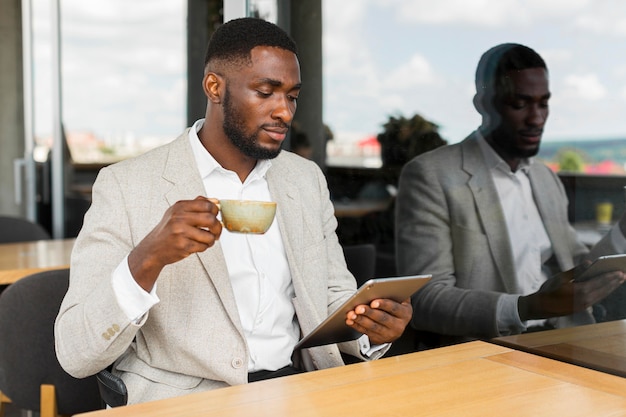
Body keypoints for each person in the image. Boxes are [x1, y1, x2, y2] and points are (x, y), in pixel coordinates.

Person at [54, 18, 411, 404]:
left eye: (291, 96)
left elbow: (330, 297)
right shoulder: (127, 185)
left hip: (300, 390)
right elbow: (76, 352)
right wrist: (147, 258)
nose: (284, 112)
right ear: (214, 87)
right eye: (265, 92)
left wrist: (370, 329)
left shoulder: (304, 179)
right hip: (185, 401)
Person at [395, 43, 626, 348]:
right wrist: (529, 307)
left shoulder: (545, 178)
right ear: (482, 103)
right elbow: (424, 301)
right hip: (488, 351)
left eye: (543, 104)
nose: (536, 118)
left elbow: (577, 269)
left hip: (569, 339)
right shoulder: (431, 175)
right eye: (520, 104)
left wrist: (623, 231)